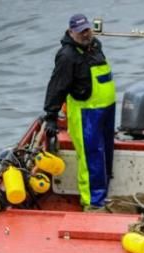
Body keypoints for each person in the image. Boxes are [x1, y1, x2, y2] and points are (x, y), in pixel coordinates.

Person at [43, 13, 116, 211]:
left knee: (106, 154)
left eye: (87, 29)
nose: (85, 34)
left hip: (107, 111)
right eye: (80, 31)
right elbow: (57, 86)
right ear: (71, 32)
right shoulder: (67, 56)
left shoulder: (95, 45)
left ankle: (103, 196)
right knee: (91, 157)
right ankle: (92, 203)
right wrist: (51, 117)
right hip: (86, 114)